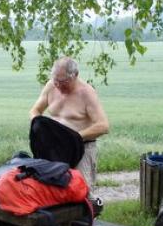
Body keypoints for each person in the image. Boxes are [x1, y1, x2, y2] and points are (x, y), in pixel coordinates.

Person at [29, 56, 109, 189]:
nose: (59, 86)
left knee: (80, 189)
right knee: (50, 186)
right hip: (55, 147)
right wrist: (40, 128)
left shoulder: (87, 93)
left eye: (63, 81)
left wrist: (73, 137)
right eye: (56, 81)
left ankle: (89, 209)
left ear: (75, 75)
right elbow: (35, 110)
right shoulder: (51, 86)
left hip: (81, 148)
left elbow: (103, 126)